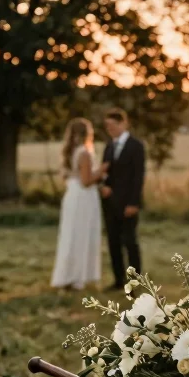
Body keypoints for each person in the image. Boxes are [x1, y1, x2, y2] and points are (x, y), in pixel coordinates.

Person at [51, 118, 107, 290]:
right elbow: (86, 181)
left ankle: (70, 275)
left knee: (71, 235)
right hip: (84, 197)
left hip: (72, 195)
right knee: (82, 235)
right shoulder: (84, 153)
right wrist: (102, 171)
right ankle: (77, 278)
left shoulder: (70, 152)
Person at [100, 108, 146, 290]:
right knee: (113, 241)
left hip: (128, 203)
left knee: (130, 241)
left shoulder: (136, 146)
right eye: (107, 126)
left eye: (112, 125)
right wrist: (103, 187)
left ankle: (135, 281)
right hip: (110, 203)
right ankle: (118, 280)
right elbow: (106, 173)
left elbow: (138, 176)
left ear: (123, 124)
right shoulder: (108, 147)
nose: (109, 129)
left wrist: (134, 202)